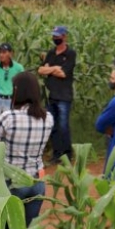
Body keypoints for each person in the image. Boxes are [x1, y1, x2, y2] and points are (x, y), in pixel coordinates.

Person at [0, 71, 54, 226]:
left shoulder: (8, 117)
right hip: (36, 182)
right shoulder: (48, 118)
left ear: (17, 91)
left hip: (12, 182)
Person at [38, 25, 77, 163]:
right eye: (54, 36)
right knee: (52, 126)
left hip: (64, 96)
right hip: (51, 95)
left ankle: (67, 154)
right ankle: (56, 154)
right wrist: (55, 68)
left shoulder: (70, 54)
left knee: (63, 126)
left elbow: (63, 73)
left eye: (57, 36)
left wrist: (50, 69)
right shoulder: (51, 52)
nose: (55, 38)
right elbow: (41, 70)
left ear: (64, 36)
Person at [0, 43, 24, 133]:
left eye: (4, 52)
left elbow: (22, 86)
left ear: (11, 54)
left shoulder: (19, 68)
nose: (1, 55)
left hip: (11, 100)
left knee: (10, 128)